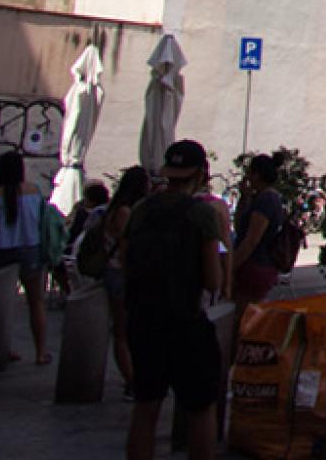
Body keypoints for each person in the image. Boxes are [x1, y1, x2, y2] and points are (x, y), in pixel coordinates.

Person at [124, 139, 225, 460]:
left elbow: (127, 263)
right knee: (200, 408)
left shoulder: (140, 210)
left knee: (145, 409)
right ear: (199, 174)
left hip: (143, 320)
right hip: (186, 321)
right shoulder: (201, 214)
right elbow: (212, 280)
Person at [0, 150, 51, 364]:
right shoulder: (33, 192)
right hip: (30, 247)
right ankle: (40, 351)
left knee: (3, 302)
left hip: (2, 249)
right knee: (35, 301)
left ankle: (2, 346)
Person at [100, 166, 150, 398]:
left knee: (129, 328)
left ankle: (134, 377)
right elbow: (126, 248)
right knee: (123, 329)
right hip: (122, 273)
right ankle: (131, 380)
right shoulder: (124, 213)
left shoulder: (118, 209)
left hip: (119, 272)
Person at [229, 151, 286, 321]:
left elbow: (252, 240)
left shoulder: (267, 200)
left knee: (244, 319)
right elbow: (240, 227)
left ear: (257, 174)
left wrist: (231, 267)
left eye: (249, 172)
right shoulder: (258, 198)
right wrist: (244, 197)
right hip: (253, 265)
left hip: (256, 265)